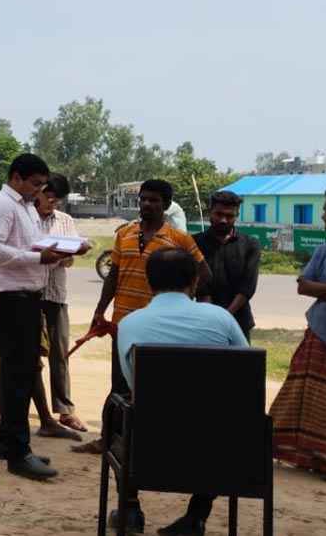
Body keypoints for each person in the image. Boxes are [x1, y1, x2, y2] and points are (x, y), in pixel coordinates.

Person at [107, 248, 248, 535]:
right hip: (217, 447)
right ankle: (197, 515)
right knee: (223, 417)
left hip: (151, 444)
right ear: (195, 281)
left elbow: (133, 382)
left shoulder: (130, 323)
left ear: (149, 282)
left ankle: (130, 508)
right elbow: (245, 373)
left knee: (114, 410)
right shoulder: (221, 318)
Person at [74, 179, 210, 455]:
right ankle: (108, 440)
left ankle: (146, 444)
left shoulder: (179, 239)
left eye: (154, 200)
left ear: (166, 205)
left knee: (154, 388)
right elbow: (113, 275)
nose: (147, 204)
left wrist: (184, 302)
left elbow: (204, 274)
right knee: (119, 385)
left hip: (159, 327)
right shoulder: (124, 233)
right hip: (122, 324)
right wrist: (100, 311)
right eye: (144, 199)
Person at [0, 153, 80, 481]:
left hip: (28, 298)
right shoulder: (2, 206)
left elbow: (32, 247)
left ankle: (9, 443)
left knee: (21, 375)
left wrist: (59, 252)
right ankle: (18, 452)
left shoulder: (24, 207)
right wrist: (39, 258)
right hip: (11, 300)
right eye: (35, 184)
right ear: (17, 177)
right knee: (17, 377)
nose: (40, 191)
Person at [269, 186, 326, 481]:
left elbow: (310, 285)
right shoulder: (325, 251)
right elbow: (303, 286)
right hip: (319, 333)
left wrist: (321, 290)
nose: (322, 214)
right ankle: (312, 457)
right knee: (304, 394)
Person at [35, 173, 88, 434]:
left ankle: (64, 410)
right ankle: (17, 405)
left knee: (60, 353)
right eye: (48, 197)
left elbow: (71, 257)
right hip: (28, 294)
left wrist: (66, 254)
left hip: (55, 294)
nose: (52, 203)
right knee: (27, 355)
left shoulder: (65, 221)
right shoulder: (25, 216)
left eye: (57, 200)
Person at [193, 191, 261, 342]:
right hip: (204, 321)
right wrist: (212, 318)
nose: (223, 220)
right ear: (210, 213)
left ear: (237, 215)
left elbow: (247, 287)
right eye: (219, 214)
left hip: (239, 321)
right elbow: (200, 286)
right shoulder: (195, 243)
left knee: (240, 358)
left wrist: (226, 317)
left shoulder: (250, 245)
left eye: (229, 216)